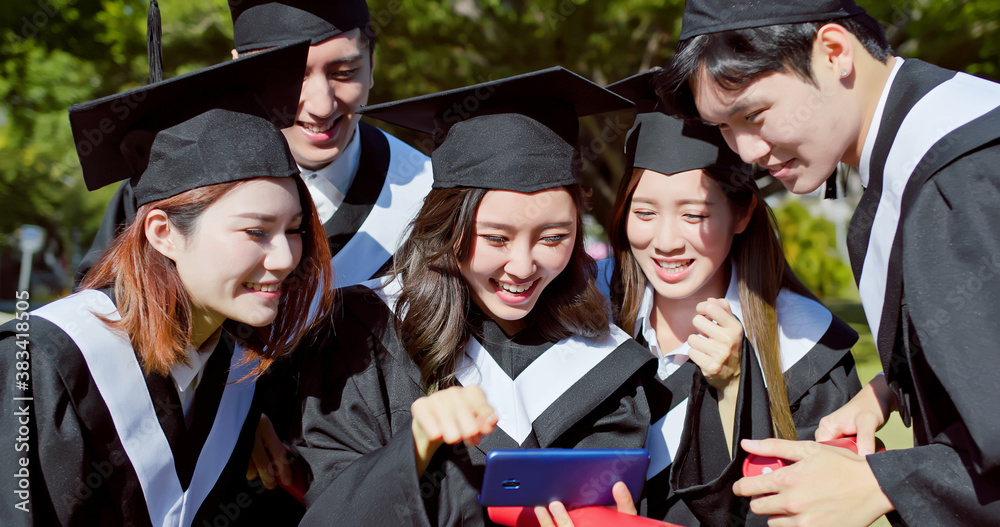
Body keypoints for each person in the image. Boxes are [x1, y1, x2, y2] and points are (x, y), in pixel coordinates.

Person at [656, 0, 1000, 524]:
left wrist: (882, 484)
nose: (746, 150)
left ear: (835, 52)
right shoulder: (923, 146)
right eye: (724, 127)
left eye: (754, 113)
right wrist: (889, 389)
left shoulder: (961, 176)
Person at [292, 67, 657, 526]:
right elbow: (329, 516)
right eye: (496, 239)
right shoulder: (362, 337)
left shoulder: (606, 364)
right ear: (446, 228)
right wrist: (415, 445)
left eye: (553, 238)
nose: (523, 268)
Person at [0, 43, 335, 526]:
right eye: (256, 231)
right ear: (164, 233)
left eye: (295, 230)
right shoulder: (42, 364)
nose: (285, 257)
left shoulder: (234, 378)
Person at [599, 69, 860, 526]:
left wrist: (735, 386)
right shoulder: (590, 327)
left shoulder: (806, 349)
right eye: (643, 212)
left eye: (694, 214)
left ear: (741, 215)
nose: (665, 241)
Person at [78, 0, 433, 288]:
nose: (322, 104)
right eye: (293, 77)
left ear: (371, 64)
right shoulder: (178, 187)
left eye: (344, 73)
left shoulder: (427, 195)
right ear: (241, 72)